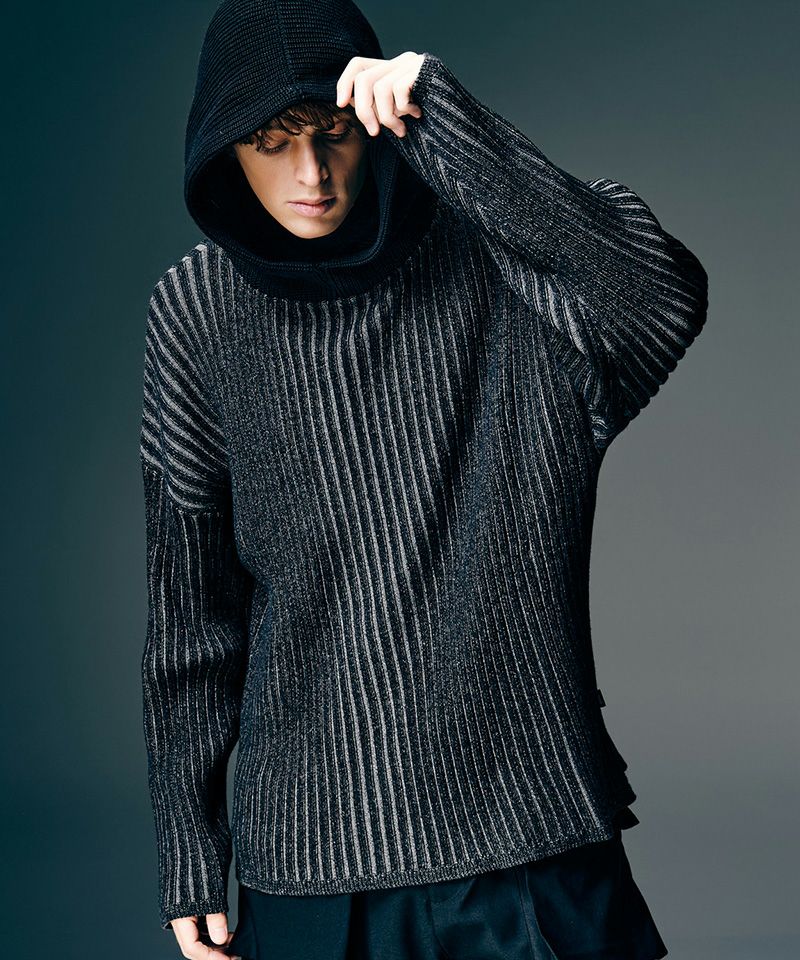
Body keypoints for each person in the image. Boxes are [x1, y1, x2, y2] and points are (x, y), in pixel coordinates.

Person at [138, 0, 709, 957]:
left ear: (373, 128)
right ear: (223, 151)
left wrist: (448, 119)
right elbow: (190, 613)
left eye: (332, 134)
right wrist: (189, 847)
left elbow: (659, 294)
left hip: (527, 837)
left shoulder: (502, 268)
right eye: (272, 142)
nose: (311, 174)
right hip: (311, 857)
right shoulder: (196, 313)